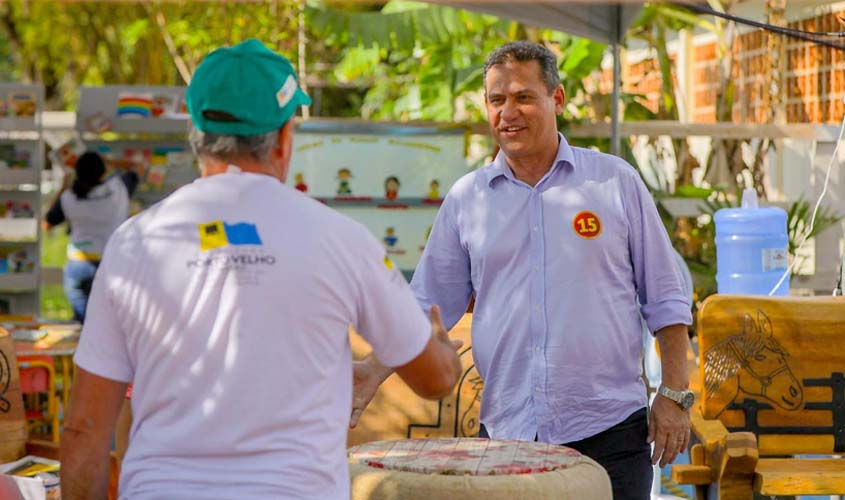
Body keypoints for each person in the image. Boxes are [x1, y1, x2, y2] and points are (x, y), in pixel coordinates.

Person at [60, 39, 462, 500]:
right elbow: (435, 379)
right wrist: (440, 348)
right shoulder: (340, 239)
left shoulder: (136, 243)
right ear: (285, 136)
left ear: (197, 129)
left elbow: (85, 432)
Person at [353, 41, 693, 500]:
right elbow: (428, 306)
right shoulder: (467, 199)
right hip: (508, 434)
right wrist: (373, 370)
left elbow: (666, 300)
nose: (507, 112)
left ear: (557, 99)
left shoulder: (614, 182)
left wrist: (673, 396)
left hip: (609, 432)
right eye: (497, 100)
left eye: (523, 97)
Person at [44, 151, 141, 322]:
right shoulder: (118, 189)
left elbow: (47, 224)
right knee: (109, 323)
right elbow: (137, 166)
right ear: (103, 171)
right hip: (111, 263)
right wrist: (109, 159)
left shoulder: (69, 197)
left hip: (78, 263)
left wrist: (63, 187)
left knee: (82, 325)